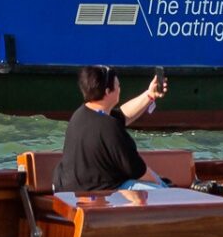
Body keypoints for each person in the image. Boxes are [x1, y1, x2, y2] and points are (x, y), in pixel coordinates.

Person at [55, 65, 170, 194]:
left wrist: (150, 95)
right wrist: (163, 185)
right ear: (108, 91)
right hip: (97, 196)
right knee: (163, 193)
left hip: (68, 193)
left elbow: (122, 115)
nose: (120, 89)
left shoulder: (81, 115)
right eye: (118, 86)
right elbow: (138, 170)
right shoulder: (109, 127)